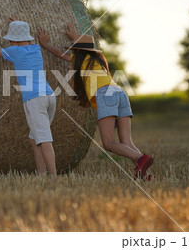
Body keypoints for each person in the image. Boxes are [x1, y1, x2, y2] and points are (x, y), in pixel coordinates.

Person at [38, 23, 153, 180]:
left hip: (106, 94)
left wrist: (45, 44)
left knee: (109, 143)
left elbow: (59, 53)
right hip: (120, 92)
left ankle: (141, 159)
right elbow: (82, 46)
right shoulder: (98, 60)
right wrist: (75, 37)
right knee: (126, 141)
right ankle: (144, 174)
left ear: (77, 51)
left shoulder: (80, 60)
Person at [0, 19, 57, 177]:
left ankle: (54, 177)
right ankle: (41, 175)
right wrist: (19, 26)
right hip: (50, 96)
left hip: (34, 99)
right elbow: (23, 40)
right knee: (35, 139)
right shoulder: (35, 48)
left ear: (13, 40)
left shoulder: (14, 52)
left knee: (44, 139)